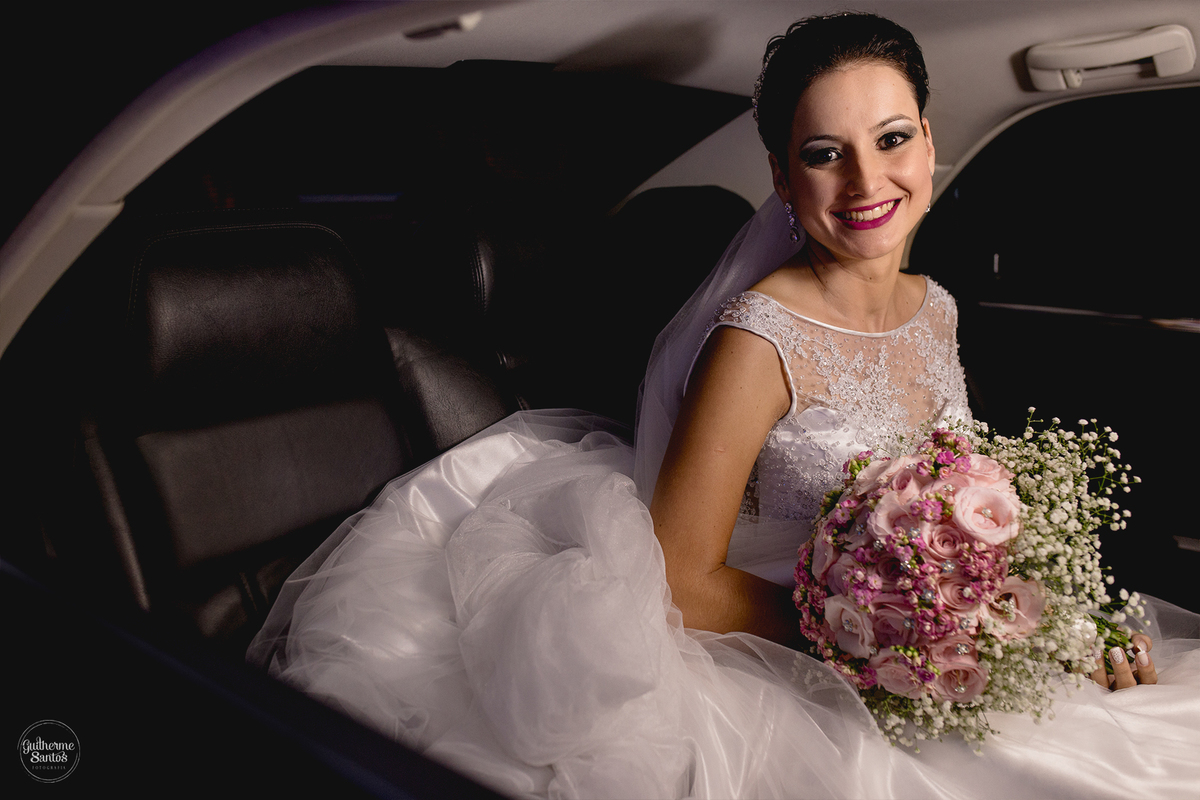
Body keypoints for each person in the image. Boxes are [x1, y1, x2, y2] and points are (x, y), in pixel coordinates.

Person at [249, 13, 1200, 799]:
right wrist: (880, 645)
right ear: (785, 182)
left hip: (928, 651)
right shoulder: (758, 340)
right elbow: (682, 576)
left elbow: (962, 517)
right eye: (825, 155)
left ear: (930, 141)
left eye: (893, 137)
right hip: (789, 650)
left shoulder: (939, 309)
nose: (868, 182)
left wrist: (1041, 616)